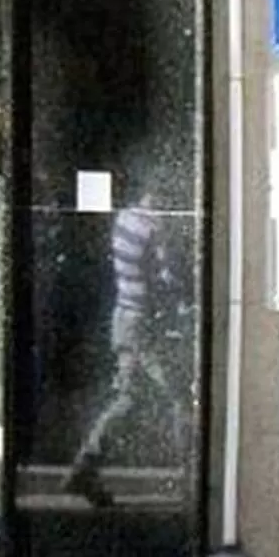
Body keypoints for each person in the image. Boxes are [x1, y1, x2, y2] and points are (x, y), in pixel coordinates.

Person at [65, 187, 191, 509]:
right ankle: (192, 480)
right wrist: (183, 303)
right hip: (144, 324)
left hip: (124, 317)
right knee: (181, 398)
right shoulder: (154, 227)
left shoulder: (124, 218)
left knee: (129, 398)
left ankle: (85, 467)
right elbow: (165, 278)